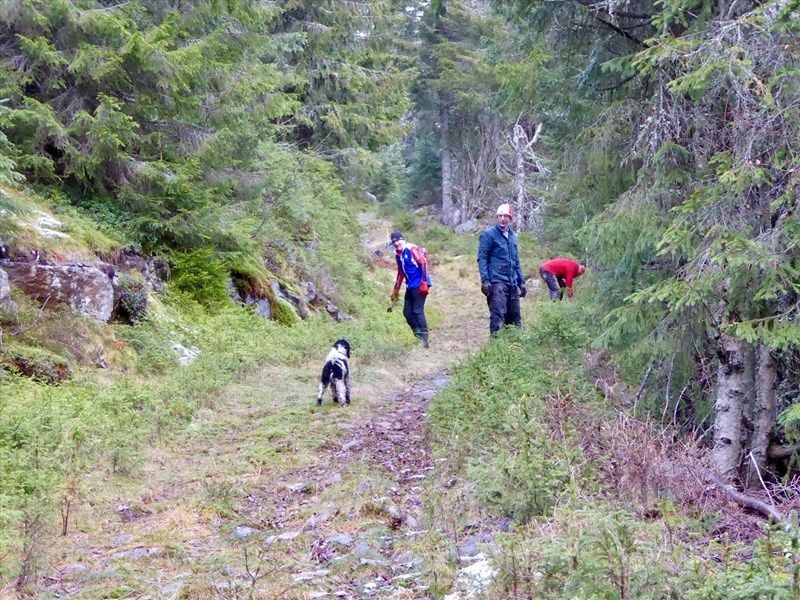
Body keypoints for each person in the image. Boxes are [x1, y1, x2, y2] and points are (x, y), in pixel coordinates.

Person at [477, 203, 527, 334]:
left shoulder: (513, 237)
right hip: (496, 281)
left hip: (512, 282)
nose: (503, 219)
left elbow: (516, 261)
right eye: (500, 216)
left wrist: (521, 282)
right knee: (498, 315)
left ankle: (513, 348)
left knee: (515, 318)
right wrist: (485, 280)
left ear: (511, 218)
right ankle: (495, 346)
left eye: (506, 216)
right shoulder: (488, 234)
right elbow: (482, 258)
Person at [390, 230, 432, 347]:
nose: (396, 243)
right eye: (394, 242)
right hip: (410, 286)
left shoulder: (411, 249)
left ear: (402, 239)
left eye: (398, 240)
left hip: (420, 284)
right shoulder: (398, 254)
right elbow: (400, 273)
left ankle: (425, 341)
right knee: (407, 313)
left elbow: (423, 263)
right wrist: (395, 290)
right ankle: (418, 337)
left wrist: (424, 281)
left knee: (417, 310)